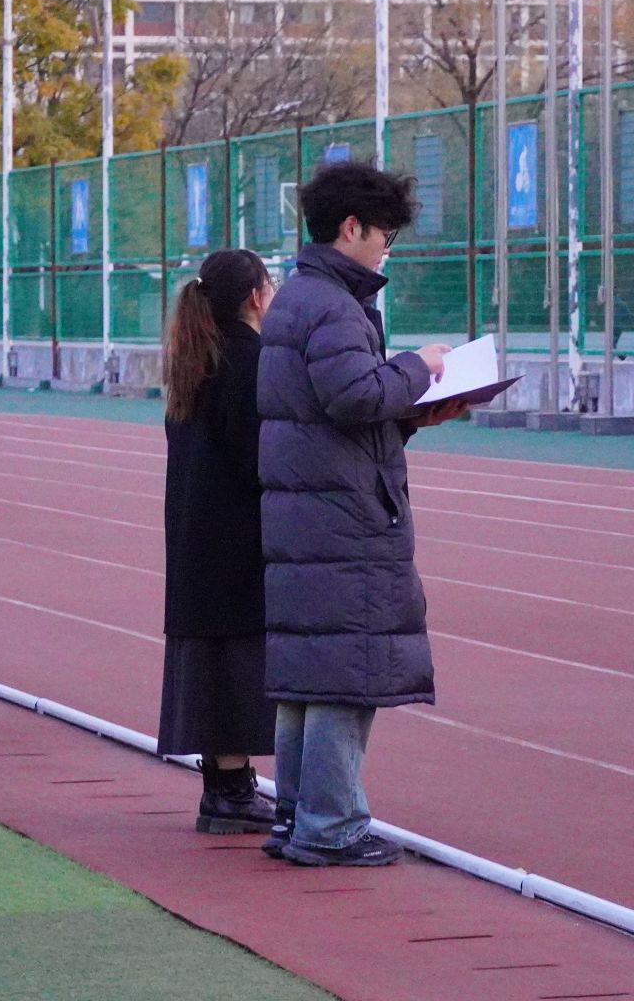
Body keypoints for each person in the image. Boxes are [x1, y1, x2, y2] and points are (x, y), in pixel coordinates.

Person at [256, 162, 466, 868]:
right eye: (385, 236)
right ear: (352, 229)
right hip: (343, 516)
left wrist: (410, 415)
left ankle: (296, 816)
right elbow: (351, 396)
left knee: (309, 673)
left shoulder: (298, 297)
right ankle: (331, 825)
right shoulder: (332, 306)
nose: (386, 251)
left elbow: (333, 410)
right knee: (348, 671)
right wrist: (419, 367)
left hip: (309, 508)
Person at [158, 248, 280, 834]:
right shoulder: (249, 360)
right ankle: (231, 791)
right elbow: (261, 456)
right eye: (270, 284)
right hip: (235, 532)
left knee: (213, 655)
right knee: (235, 656)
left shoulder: (196, 358)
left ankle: (225, 785)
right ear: (255, 297)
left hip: (195, 531)